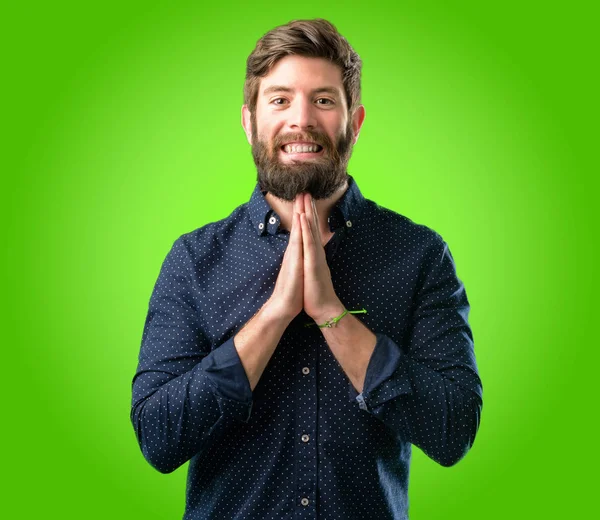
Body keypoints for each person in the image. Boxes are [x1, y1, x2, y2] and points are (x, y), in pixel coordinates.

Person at [130, 18, 483, 520]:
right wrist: (274, 315)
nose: (302, 120)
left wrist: (332, 314)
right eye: (279, 100)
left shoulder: (418, 255)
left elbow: (454, 430)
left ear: (353, 122)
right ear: (249, 121)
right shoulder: (193, 259)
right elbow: (158, 438)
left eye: (323, 100)